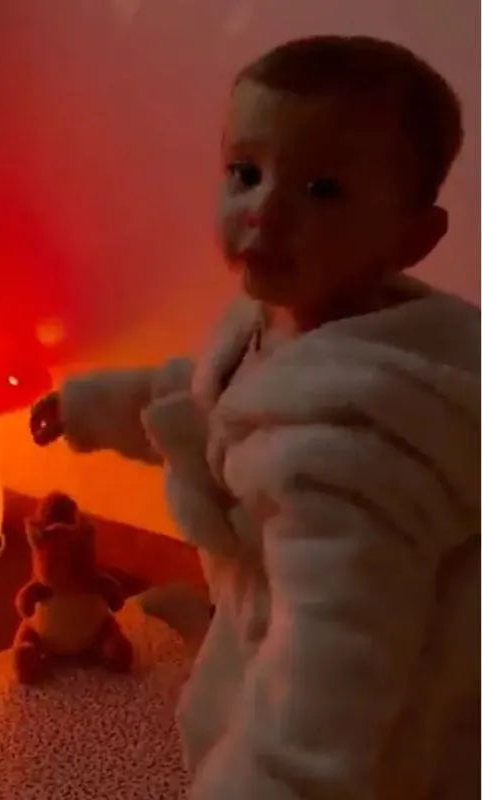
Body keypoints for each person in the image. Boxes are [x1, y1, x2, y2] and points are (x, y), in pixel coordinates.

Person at [29, 36, 480, 800]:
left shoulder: (354, 455)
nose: (265, 211)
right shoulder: (275, 323)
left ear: (412, 238)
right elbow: (213, 403)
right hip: (265, 610)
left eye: (322, 190)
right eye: (245, 173)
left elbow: (326, 687)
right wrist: (93, 407)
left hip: (382, 729)